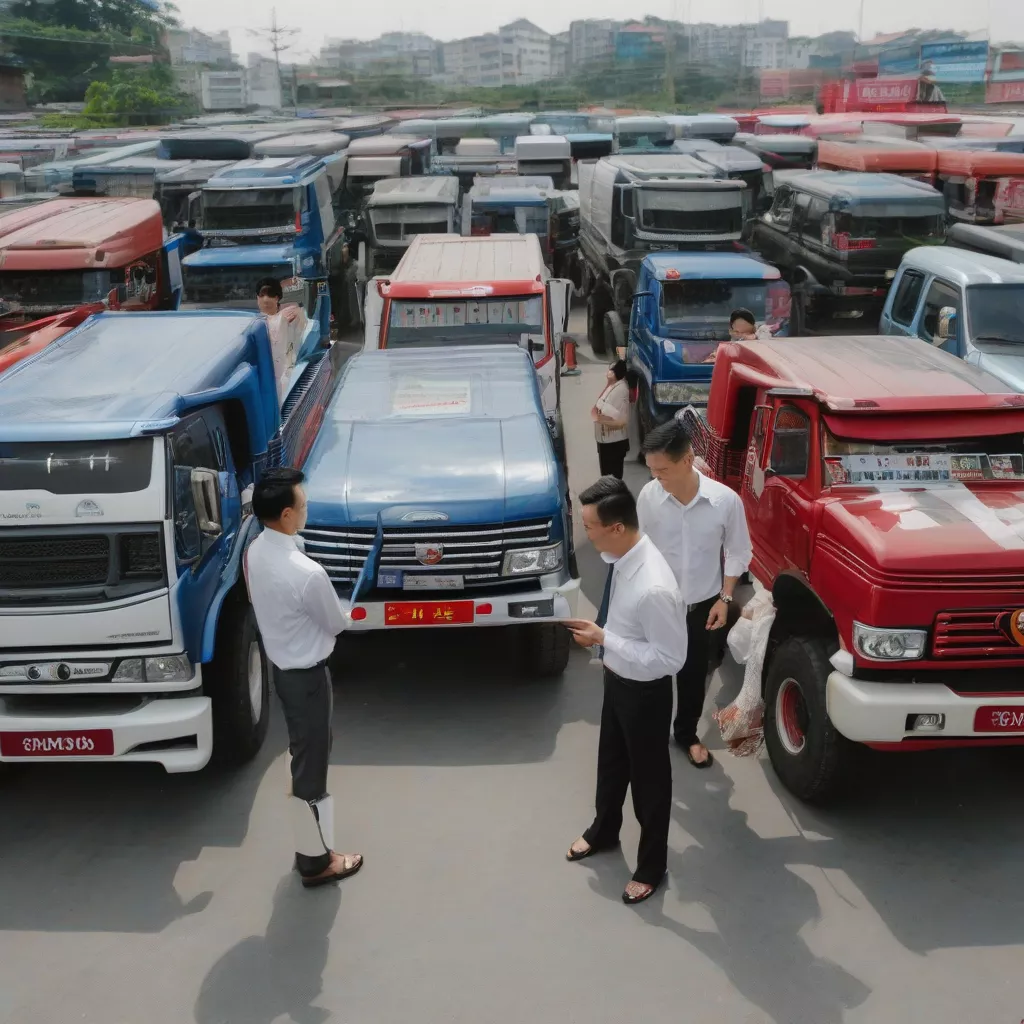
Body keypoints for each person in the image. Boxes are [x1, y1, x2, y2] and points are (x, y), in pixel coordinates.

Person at [564, 476, 688, 905]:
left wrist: (604, 640)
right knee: (611, 761)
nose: (586, 534)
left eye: (591, 526)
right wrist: (605, 642)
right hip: (617, 678)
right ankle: (604, 830)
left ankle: (652, 864)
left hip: (645, 692)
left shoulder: (654, 587)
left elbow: (671, 659)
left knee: (650, 780)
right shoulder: (621, 557)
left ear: (617, 527)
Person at [244, 467, 363, 889]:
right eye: (304, 506)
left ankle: (311, 851)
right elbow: (335, 624)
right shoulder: (308, 573)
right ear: (288, 515)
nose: (307, 511)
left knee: (303, 756)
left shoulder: (256, 550)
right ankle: (316, 862)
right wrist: (348, 613)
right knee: (312, 767)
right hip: (308, 680)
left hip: (283, 673)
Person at [638, 420, 752, 769]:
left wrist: (726, 598)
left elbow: (738, 552)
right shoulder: (649, 497)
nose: (657, 478)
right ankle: (647, 736)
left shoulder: (724, 501)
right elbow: (639, 550)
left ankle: (686, 734)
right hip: (658, 602)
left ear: (687, 459)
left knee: (691, 675)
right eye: (652, 471)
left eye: (663, 470)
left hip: (703, 605)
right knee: (650, 674)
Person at [592, 359, 631, 479]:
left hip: (613, 443)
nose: (608, 372)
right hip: (605, 441)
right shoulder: (612, 386)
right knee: (606, 476)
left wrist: (599, 419)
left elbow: (620, 420)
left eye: (611, 370)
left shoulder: (621, 389)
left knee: (612, 477)